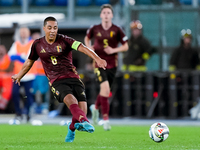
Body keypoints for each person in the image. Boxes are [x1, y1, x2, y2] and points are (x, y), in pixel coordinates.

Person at [11, 16, 107, 142]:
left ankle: (71, 128)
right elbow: (29, 62)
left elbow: (83, 47)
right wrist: (19, 75)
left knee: (82, 109)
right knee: (71, 100)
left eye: (55, 28)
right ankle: (84, 121)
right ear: (44, 28)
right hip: (56, 80)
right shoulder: (37, 44)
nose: (52, 30)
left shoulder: (65, 40)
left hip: (73, 77)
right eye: (49, 27)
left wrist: (97, 59)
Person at [84, 4, 128, 131]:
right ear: (101, 15)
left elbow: (126, 46)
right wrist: (89, 47)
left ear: (112, 15)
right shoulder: (95, 28)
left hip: (112, 64)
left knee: (104, 91)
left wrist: (114, 49)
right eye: (104, 13)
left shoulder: (118, 29)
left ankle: (95, 107)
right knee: (106, 88)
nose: (106, 15)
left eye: (108, 13)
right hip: (98, 63)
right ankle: (106, 119)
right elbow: (87, 38)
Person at [8, 27, 36, 122]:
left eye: (25, 32)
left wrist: (18, 56)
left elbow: (29, 58)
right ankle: (18, 113)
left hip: (29, 75)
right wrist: (20, 56)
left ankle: (28, 114)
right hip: (17, 75)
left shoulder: (32, 43)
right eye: (21, 32)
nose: (23, 34)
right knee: (14, 93)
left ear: (28, 33)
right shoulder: (16, 43)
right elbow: (10, 56)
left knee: (29, 96)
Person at [0, 45, 13, 111]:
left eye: (2, 49)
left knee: (8, 85)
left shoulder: (9, 58)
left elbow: (11, 69)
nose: (1, 51)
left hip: (6, 77)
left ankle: (3, 103)